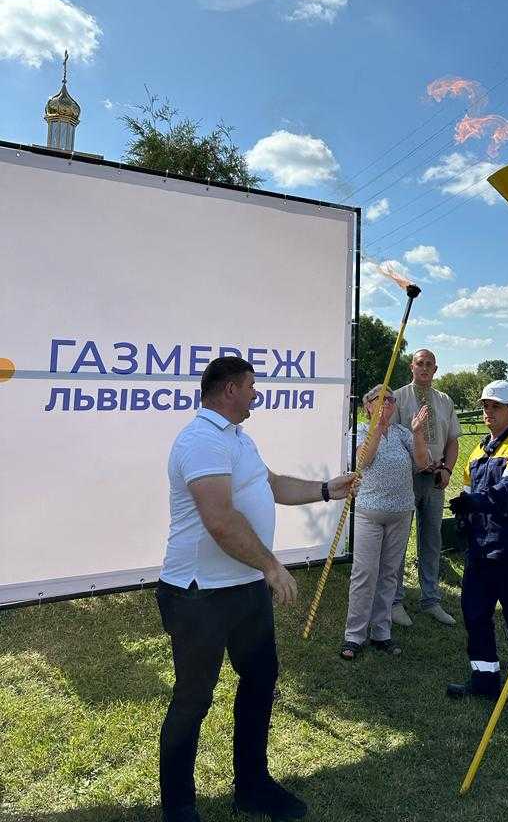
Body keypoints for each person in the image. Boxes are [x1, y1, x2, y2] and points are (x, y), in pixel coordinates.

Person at [156, 356, 357, 822]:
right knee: (193, 698)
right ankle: (179, 808)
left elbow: (272, 485)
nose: (255, 394)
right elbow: (221, 521)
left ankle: (252, 786)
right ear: (228, 389)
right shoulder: (201, 439)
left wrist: (327, 489)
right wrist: (271, 566)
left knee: (260, 680)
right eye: (250, 386)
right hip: (198, 593)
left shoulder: (238, 438)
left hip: (242, 587)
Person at [446, 381, 508, 713]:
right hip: (480, 551)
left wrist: (471, 503)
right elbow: (465, 492)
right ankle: (484, 681)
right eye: (485, 406)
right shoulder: (477, 452)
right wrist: (464, 519)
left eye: (496, 406)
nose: (488, 412)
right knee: (475, 615)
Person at [340, 385, 429, 659]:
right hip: (369, 513)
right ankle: (354, 636)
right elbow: (363, 462)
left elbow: (423, 463)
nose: (388, 402)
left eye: (391, 399)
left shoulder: (402, 432)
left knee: (389, 574)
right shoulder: (360, 432)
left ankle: (381, 632)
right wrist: (378, 427)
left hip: (401, 513)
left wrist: (417, 433)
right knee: (364, 574)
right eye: (382, 399)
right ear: (368, 405)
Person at [391, 348, 461, 626]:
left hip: (435, 481)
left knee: (432, 539)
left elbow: (453, 440)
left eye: (429, 364)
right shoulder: (397, 398)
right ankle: (394, 601)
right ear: (412, 367)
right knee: (397, 541)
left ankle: (431, 599)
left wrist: (447, 469)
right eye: (420, 363)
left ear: (435, 369)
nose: (424, 368)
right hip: (404, 479)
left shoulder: (444, 401)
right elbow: (391, 438)